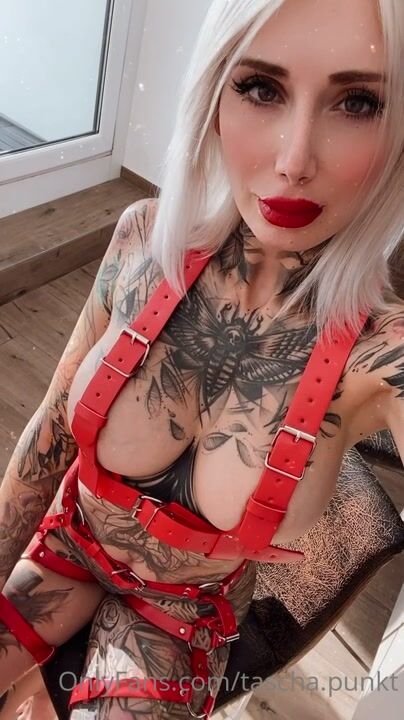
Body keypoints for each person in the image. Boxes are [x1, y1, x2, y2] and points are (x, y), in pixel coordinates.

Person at [0, 0, 403, 717]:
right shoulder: (143, 240)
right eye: (261, 88)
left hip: (180, 614)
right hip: (70, 547)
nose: (294, 160)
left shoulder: (385, 353)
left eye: (358, 103)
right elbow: (50, 432)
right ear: (215, 96)